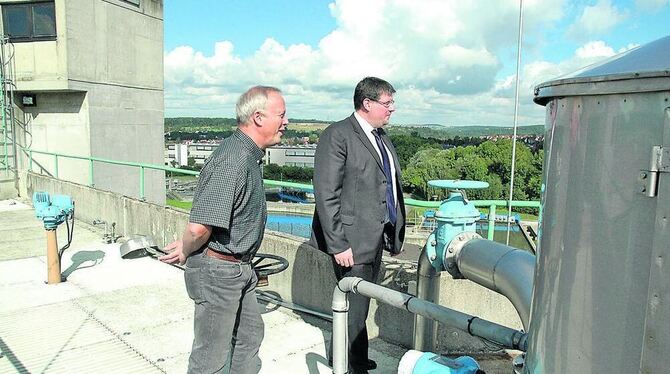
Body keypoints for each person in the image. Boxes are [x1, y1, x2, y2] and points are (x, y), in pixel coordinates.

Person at [159, 86, 288, 374]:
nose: (286, 121)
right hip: (219, 273)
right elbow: (198, 228)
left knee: (250, 335)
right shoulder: (234, 160)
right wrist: (186, 247)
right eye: (281, 115)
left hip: (239, 269)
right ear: (258, 117)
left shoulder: (249, 154)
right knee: (211, 358)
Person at [311, 77, 406, 373]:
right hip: (351, 242)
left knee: (360, 306)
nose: (392, 109)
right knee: (352, 309)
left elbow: (386, 185)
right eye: (387, 103)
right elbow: (326, 193)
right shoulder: (337, 135)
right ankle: (349, 366)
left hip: (374, 238)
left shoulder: (380, 136)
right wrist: (338, 244)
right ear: (367, 103)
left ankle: (357, 357)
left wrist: (392, 232)